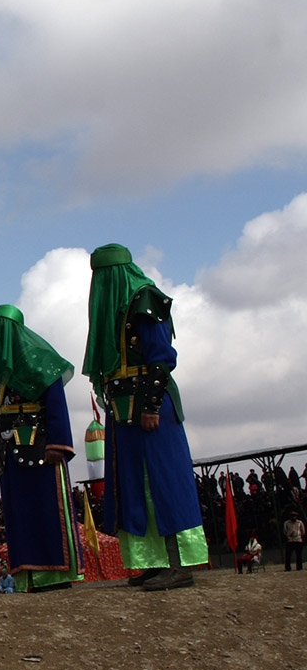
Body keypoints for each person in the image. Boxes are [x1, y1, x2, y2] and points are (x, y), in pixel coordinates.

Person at [83, 244, 206, 591]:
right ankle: (153, 562)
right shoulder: (113, 313)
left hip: (151, 408)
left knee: (163, 481)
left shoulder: (144, 299)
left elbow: (162, 358)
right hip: (123, 412)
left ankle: (180, 563)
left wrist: (151, 405)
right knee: (134, 484)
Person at [0, 305, 84, 592]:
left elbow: (57, 403)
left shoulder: (42, 361)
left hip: (42, 449)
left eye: (3, 328)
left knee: (48, 510)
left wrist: (58, 443)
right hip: (8, 454)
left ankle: (55, 576)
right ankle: (28, 576)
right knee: (18, 518)